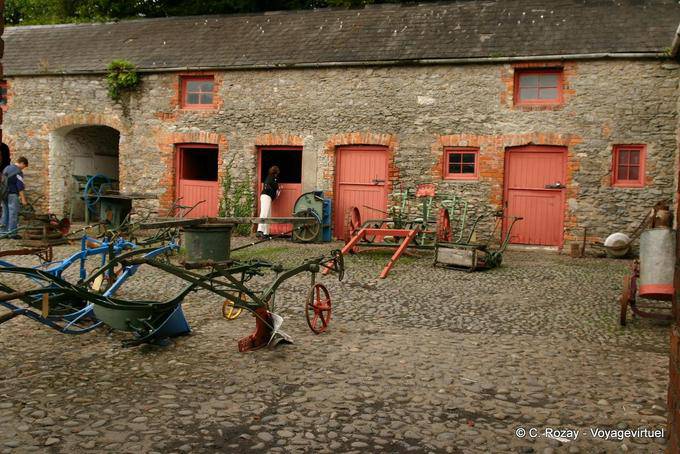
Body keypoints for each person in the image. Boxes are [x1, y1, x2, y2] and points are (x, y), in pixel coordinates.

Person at [1, 157, 28, 238]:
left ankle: (3, 232)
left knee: (5, 213)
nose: (23, 168)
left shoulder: (7, 168)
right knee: (13, 213)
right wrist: (23, 200)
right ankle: (13, 233)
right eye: (24, 166)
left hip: (3, 194)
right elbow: (20, 187)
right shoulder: (18, 171)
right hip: (12, 194)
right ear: (22, 163)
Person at [256, 165, 280, 238]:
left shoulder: (269, 177)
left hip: (266, 196)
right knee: (264, 213)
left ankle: (266, 233)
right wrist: (278, 188)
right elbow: (276, 187)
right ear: (276, 172)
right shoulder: (273, 178)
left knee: (268, 214)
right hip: (266, 196)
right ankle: (260, 230)